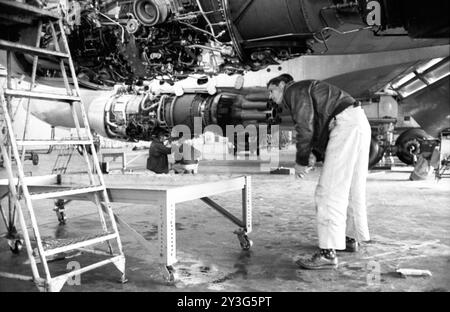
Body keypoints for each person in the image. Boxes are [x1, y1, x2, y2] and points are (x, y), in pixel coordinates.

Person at [267, 74, 371, 270]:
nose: (271, 97)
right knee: (351, 187)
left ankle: (327, 254)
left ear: (282, 85)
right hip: (358, 122)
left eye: (272, 91)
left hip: (345, 126)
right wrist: (315, 152)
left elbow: (305, 127)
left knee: (328, 191)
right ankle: (349, 239)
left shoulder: (293, 90)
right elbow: (319, 123)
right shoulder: (308, 89)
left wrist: (301, 160)